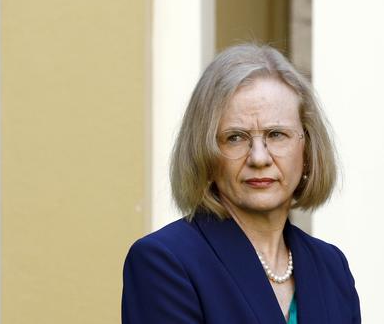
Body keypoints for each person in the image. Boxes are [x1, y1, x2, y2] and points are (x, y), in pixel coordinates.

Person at [122, 44, 360, 323]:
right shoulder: (165, 262)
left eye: (276, 134)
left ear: (307, 150)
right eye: (235, 137)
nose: (259, 158)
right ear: (205, 153)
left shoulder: (332, 267)